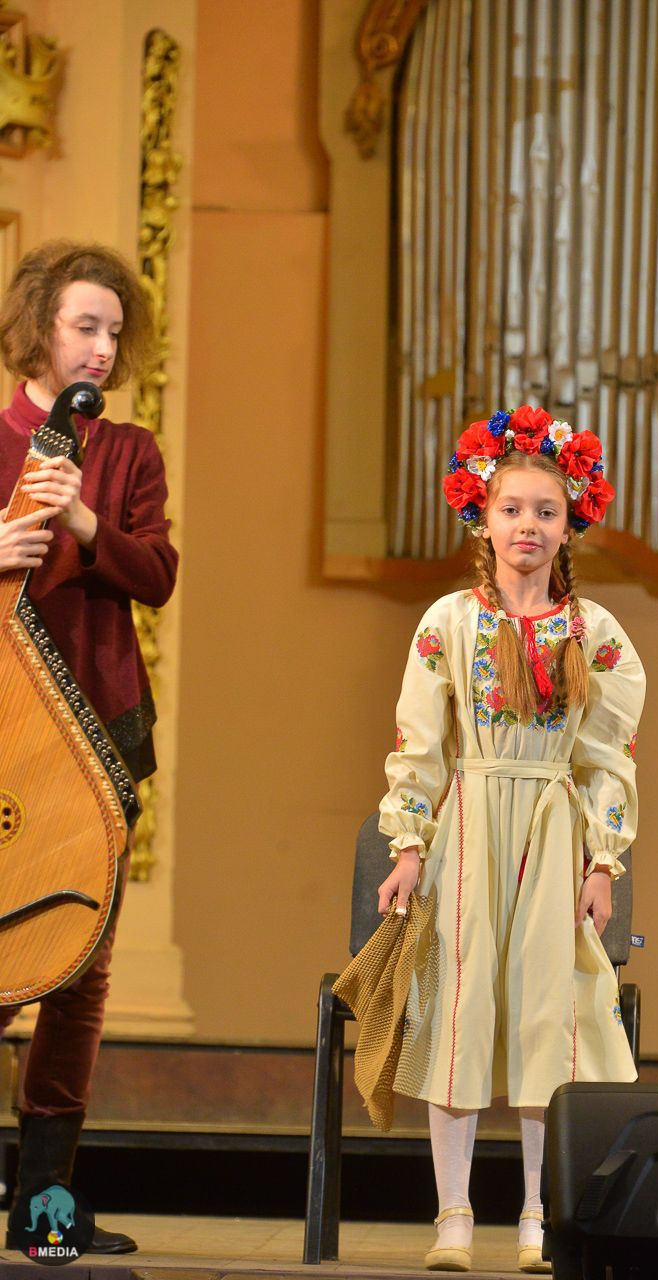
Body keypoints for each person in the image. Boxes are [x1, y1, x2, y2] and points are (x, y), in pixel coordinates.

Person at [375, 406, 645, 1272]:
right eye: (511, 509)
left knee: (547, 1019)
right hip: (468, 828)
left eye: (545, 511)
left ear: (569, 525)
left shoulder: (594, 633)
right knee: (455, 1012)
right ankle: (453, 1216)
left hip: (550, 832)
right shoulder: (448, 622)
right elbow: (419, 743)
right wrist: (407, 846)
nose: (527, 525)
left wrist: (602, 861)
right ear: (481, 519)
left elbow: (608, 759)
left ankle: (536, 1215)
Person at [0, 241, 178, 1254]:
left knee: (80, 969)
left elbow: (156, 574)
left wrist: (82, 519)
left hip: (100, 728)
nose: (103, 347)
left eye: (114, 330)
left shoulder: (129, 451)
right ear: (40, 327)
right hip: (4, 735)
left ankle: (45, 1206)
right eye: (85, 326)